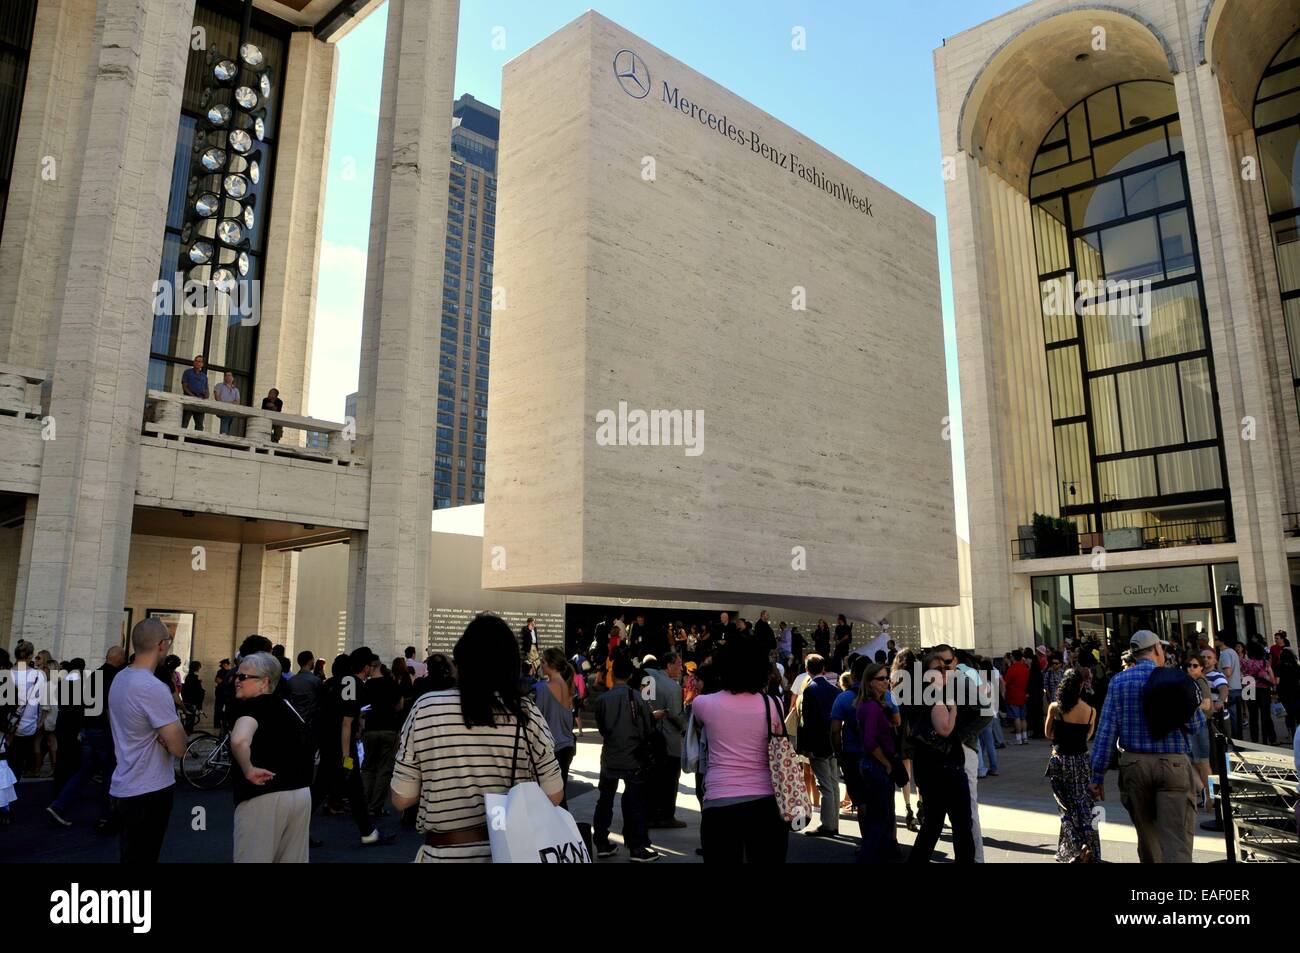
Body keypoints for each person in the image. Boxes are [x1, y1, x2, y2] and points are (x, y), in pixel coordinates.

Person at [389, 614, 563, 862]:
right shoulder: (526, 713)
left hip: (444, 854)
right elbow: (554, 794)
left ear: (461, 660)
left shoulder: (426, 708)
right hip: (511, 853)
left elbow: (401, 798)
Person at [1089, 631, 1205, 863]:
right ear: (1156, 650)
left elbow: (1106, 732)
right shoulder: (1174, 679)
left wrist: (1097, 775)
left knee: (1148, 839)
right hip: (1172, 763)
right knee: (1177, 839)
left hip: (1135, 764)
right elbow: (1195, 725)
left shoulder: (1119, 682)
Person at [690, 637, 789, 862]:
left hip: (719, 800)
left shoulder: (703, 704)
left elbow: (699, 732)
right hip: (766, 799)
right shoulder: (773, 704)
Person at [108, 619, 188, 863]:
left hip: (125, 782)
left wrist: (163, 735)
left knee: (131, 855)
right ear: (161, 645)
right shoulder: (152, 687)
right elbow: (179, 747)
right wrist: (168, 735)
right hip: (149, 788)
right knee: (144, 856)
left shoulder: (121, 678)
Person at [229, 651, 313, 862]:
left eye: (243, 677)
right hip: (300, 793)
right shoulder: (289, 707)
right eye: (236, 676)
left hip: (263, 795)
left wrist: (248, 769)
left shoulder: (251, 706)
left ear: (264, 682)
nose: (236, 681)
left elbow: (239, 740)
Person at [47, 646, 125, 830]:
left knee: (85, 771)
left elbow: (85, 704)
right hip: (104, 732)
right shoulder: (115, 678)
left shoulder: (94, 676)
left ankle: (58, 805)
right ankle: (108, 814)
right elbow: (110, 708)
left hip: (89, 730)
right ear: (119, 659)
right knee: (109, 772)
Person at [906, 653, 974, 863]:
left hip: (930, 767)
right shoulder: (934, 697)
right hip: (945, 768)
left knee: (934, 822)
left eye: (945, 668)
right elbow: (944, 729)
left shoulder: (918, 695)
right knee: (960, 823)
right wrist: (953, 710)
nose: (944, 671)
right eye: (938, 668)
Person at [592, 654, 659, 861]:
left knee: (605, 799)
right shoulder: (637, 697)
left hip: (610, 756)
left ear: (612, 673)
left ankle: (601, 842)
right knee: (634, 802)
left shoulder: (602, 699)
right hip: (633, 757)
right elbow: (647, 728)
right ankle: (637, 847)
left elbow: (602, 728)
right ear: (631, 674)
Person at [1044, 668, 1099, 862]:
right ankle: (1086, 844)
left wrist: (1061, 735)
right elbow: (1087, 737)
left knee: (1064, 806)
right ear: (1081, 686)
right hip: (1082, 761)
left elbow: (1048, 733)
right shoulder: (1091, 711)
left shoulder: (1055, 707)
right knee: (1082, 804)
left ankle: (1075, 846)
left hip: (1060, 760)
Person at [856, 662, 899, 863]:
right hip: (876, 766)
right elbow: (869, 741)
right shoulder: (871, 706)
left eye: (887, 677)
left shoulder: (874, 704)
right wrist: (886, 763)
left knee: (881, 817)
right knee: (880, 819)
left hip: (874, 765)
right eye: (881, 678)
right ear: (870, 682)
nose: (886, 682)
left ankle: (876, 855)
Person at [797, 655, 840, 837]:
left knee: (824, 785)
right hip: (833, 742)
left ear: (807, 670)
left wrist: (806, 748)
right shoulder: (834, 689)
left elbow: (808, 722)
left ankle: (827, 825)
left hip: (818, 743)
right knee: (833, 782)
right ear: (823, 668)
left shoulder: (810, 690)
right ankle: (833, 822)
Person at [645, 652, 688, 828]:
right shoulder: (672, 687)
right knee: (670, 779)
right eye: (678, 664)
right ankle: (666, 815)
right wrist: (687, 726)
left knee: (652, 779)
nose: (681, 668)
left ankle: (651, 813)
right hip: (668, 739)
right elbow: (676, 716)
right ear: (669, 665)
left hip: (647, 737)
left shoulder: (647, 677)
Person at [534, 648, 577, 810]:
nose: (541, 665)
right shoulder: (569, 686)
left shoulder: (543, 688)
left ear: (551, 664)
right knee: (561, 796)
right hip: (567, 745)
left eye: (543, 662)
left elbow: (537, 720)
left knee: (549, 799)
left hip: (551, 749)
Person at [360, 655, 402, 817]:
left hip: (370, 729)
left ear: (371, 667)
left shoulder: (366, 686)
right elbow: (399, 706)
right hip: (389, 729)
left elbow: (361, 710)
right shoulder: (392, 684)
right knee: (384, 769)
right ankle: (376, 806)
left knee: (368, 767)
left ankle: (364, 802)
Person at [6, 640, 46, 778]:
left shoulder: (6, 674)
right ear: (30, 656)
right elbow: (40, 702)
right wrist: (39, 723)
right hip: (27, 726)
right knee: (17, 766)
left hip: (6, 726)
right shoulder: (39, 675)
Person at [1185, 655, 1214, 811]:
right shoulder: (1195, 682)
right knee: (1193, 762)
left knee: (1203, 763)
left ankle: (1210, 796)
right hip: (1196, 726)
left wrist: (1189, 706)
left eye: (1194, 665)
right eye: (1189, 665)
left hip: (1200, 726)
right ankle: (1205, 793)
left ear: (1201, 667)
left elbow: (1207, 704)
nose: (1190, 668)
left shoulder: (1201, 682)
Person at [1242, 642, 1278, 745]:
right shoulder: (1265, 662)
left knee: (1252, 715)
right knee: (1265, 715)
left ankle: (1254, 739)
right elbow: (1272, 679)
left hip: (1248, 687)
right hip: (1263, 689)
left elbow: (1243, 674)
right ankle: (1270, 738)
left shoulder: (1245, 662)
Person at [1216, 635, 1243, 739]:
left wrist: (1219, 679)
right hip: (1235, 687)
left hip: (1230, 688)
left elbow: (1227, 672)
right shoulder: (1232, 652)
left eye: (1217, 638)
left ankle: (1235, 741)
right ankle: (1237, 741)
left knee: (1231, 718)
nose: (1215, 640)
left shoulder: (1225, 654)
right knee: (1235, 717)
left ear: (1222, 641)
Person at [1004, 649, 1030, 744]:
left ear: (1013, 657)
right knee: (1023, 718)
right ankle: (1025, 737)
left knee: (1017, 717)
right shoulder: (1025, 668)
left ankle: (1018, 738)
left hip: (1013, 695)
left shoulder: (1012, 669)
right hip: (1023, 694)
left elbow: (1005, 682)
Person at [181, 354, 209, 430]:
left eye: (200, 361)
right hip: (189, 399)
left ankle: (197, 441)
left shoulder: (204, 376)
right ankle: (180, 438)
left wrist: (206, 396)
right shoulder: (187, 372)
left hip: (200, 401)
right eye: (196, 361)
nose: (197, 363)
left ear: (202, 364)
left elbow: (206, 389)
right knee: (184, 422)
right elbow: (184, 386)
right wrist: (192, 396)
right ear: (193, 362)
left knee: (199, 425)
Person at [213, 370, 240, 435]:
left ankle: (224, 436)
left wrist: (226, 403)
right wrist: (230, 403)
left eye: (229, 375)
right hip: (222, 409)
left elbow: (237, 402)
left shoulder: (236, 389)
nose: (227, 377)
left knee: (229, 422)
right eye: (226, 375)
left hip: (231, 411)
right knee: (226, 416)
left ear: (232, 378)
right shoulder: (219, 385)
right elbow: (217, 398)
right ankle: (223, 435)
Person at [180, 660, 204, 733]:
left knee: (189, 721)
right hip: (191, 702)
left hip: (188, 701)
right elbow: (197, 692)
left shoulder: (190, 677)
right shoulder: (192, 677)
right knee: (190, 722)